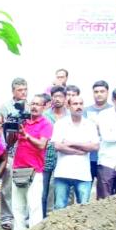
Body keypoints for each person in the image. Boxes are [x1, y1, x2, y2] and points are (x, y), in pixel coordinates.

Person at [7, 94, 52, 230]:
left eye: (38, 104)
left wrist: (26, 135)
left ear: (44, 107)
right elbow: (10, 143)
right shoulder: (23, 121)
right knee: (18, 204)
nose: (34, 106)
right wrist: (12, 129)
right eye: (32, 103)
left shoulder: (46, 124)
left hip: (35, 170)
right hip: (18, 168)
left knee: (34, 205)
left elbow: (41, 145)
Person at [52, 95, 99, 209]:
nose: (79, 107)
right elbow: (57, 146)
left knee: (83, 209)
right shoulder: (60, 124)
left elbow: (95, 146)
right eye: (75, 104)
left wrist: (71, 143)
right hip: (62, 172)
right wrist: (79, 151)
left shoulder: (90, 125)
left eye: (81, 104)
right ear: (68, 106)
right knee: (59, 207)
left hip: (83, 174)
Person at [0, 78, 29, 230]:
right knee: (8, 187)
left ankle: (23, 217)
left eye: (25, 89)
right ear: (13, 91)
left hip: (26, 152)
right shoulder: (5, 107)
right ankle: (6, 217)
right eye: (20, 90)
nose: (23, 92)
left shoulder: (30, 107)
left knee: (25, 186)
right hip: (9, 151)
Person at [42, 86, 69, 215]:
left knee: (62, 190)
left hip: (65, 157)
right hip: (46, 156)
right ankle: (41, 218)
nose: (57, 99)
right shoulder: (44, 115)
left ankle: (60, 217)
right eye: (55, 96)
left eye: (60, 96)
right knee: (43, 190)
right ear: (51, 98)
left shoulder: (70, 116)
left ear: (65, 98)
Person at [83, 82, 111, 182]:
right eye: (96, 92)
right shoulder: (85, 111)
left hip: (107, 158)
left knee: (105, 192)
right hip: (88, 157)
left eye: (102, 91)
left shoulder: (113, 111)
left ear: (107, 92)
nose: (99, 94)